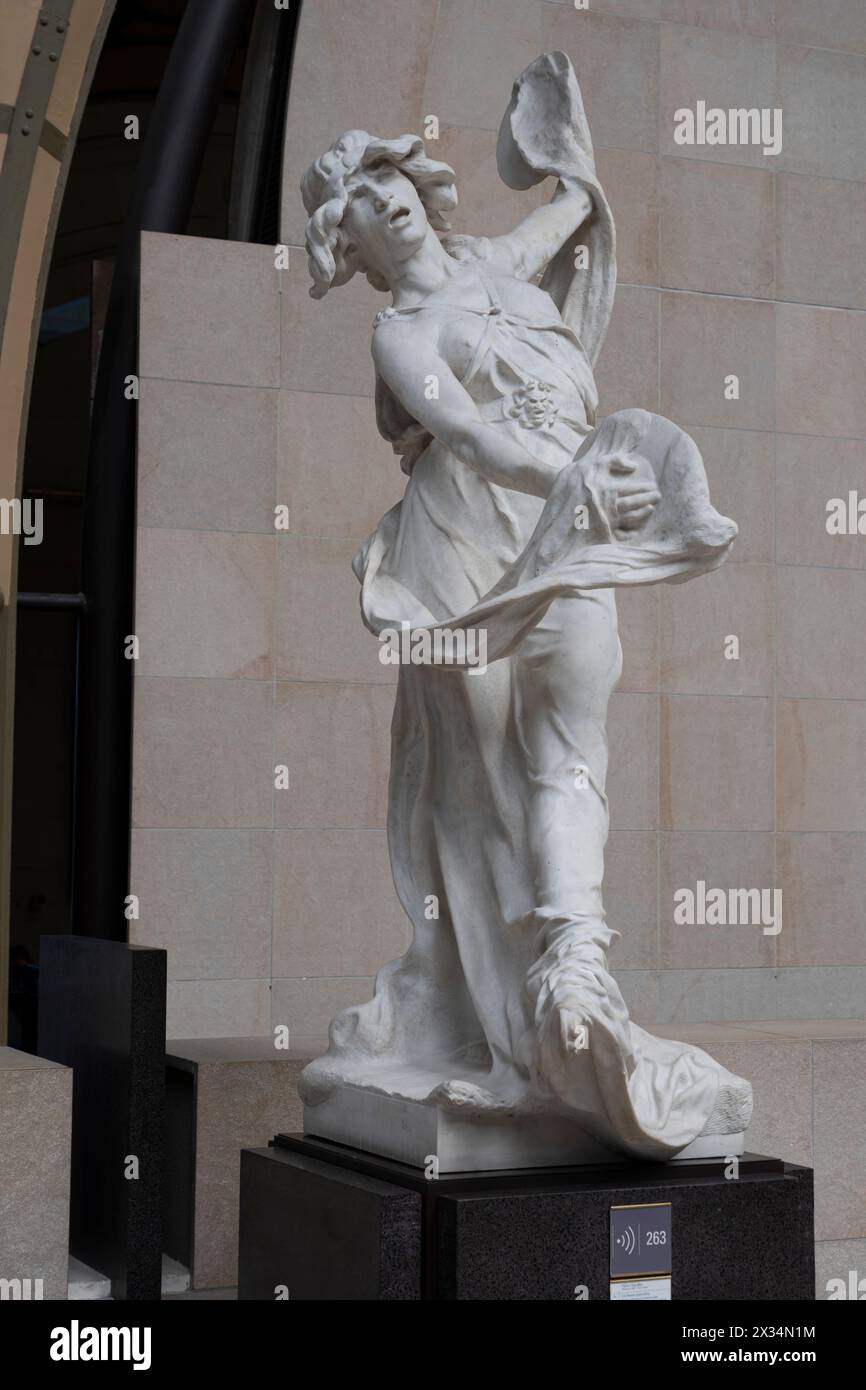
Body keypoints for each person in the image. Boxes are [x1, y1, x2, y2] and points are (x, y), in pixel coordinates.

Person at [297, 54, 751, 1159]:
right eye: (354, 205)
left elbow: (572, 213)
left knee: (571, 741)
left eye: (383, 178)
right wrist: (580, 478)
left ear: (414, 181)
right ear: (349, 249)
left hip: (565, 527)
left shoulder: (496, 262)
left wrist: (561, 145)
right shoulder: (398, 337)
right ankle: (493, 1009)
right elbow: (479, 439)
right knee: (487, 780)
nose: (379, 201)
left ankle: (575, 959)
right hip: (463, 548)